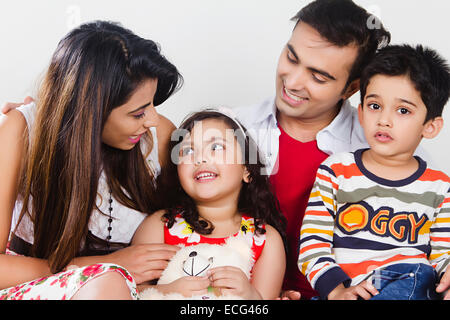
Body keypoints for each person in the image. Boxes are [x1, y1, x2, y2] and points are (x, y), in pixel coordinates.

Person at [0, 20, 183, 299]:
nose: (153, 120)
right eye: (138, 113)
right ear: (89, 111)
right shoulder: (21, 131)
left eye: (153, 105)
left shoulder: (157, 137)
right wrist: (98, 268)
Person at [235, 0, 392, 299]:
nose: (292, 82)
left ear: (350, 89)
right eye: (291, 58)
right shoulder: (233, 129)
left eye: (318, 77)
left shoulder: (381, 145)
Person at [298, 44, 450, 300]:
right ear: (360, 113)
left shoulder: (439, 187)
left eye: (403, 111)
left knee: (418, 274)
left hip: (411, 285)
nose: (384, 120)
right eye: (374, 106)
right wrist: (337, 292)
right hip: (350, 291)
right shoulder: (336, 171)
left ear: (430, 127)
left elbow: (442, 254)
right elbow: (313, 244)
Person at [132, 109, 287, 299]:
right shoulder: (160, 226)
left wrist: (250, 295)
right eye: (188, 151)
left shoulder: (266, 240)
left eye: (216, 147)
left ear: (247, 169)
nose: (200, 158)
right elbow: (124, 291)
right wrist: (165, 291)